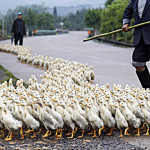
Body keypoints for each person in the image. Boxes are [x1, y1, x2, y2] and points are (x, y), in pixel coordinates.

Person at [122, 0, 150, 89]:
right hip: (140, 37)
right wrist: (126, 23)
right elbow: (128, 11)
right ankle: (148, 89)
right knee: (137, 62)